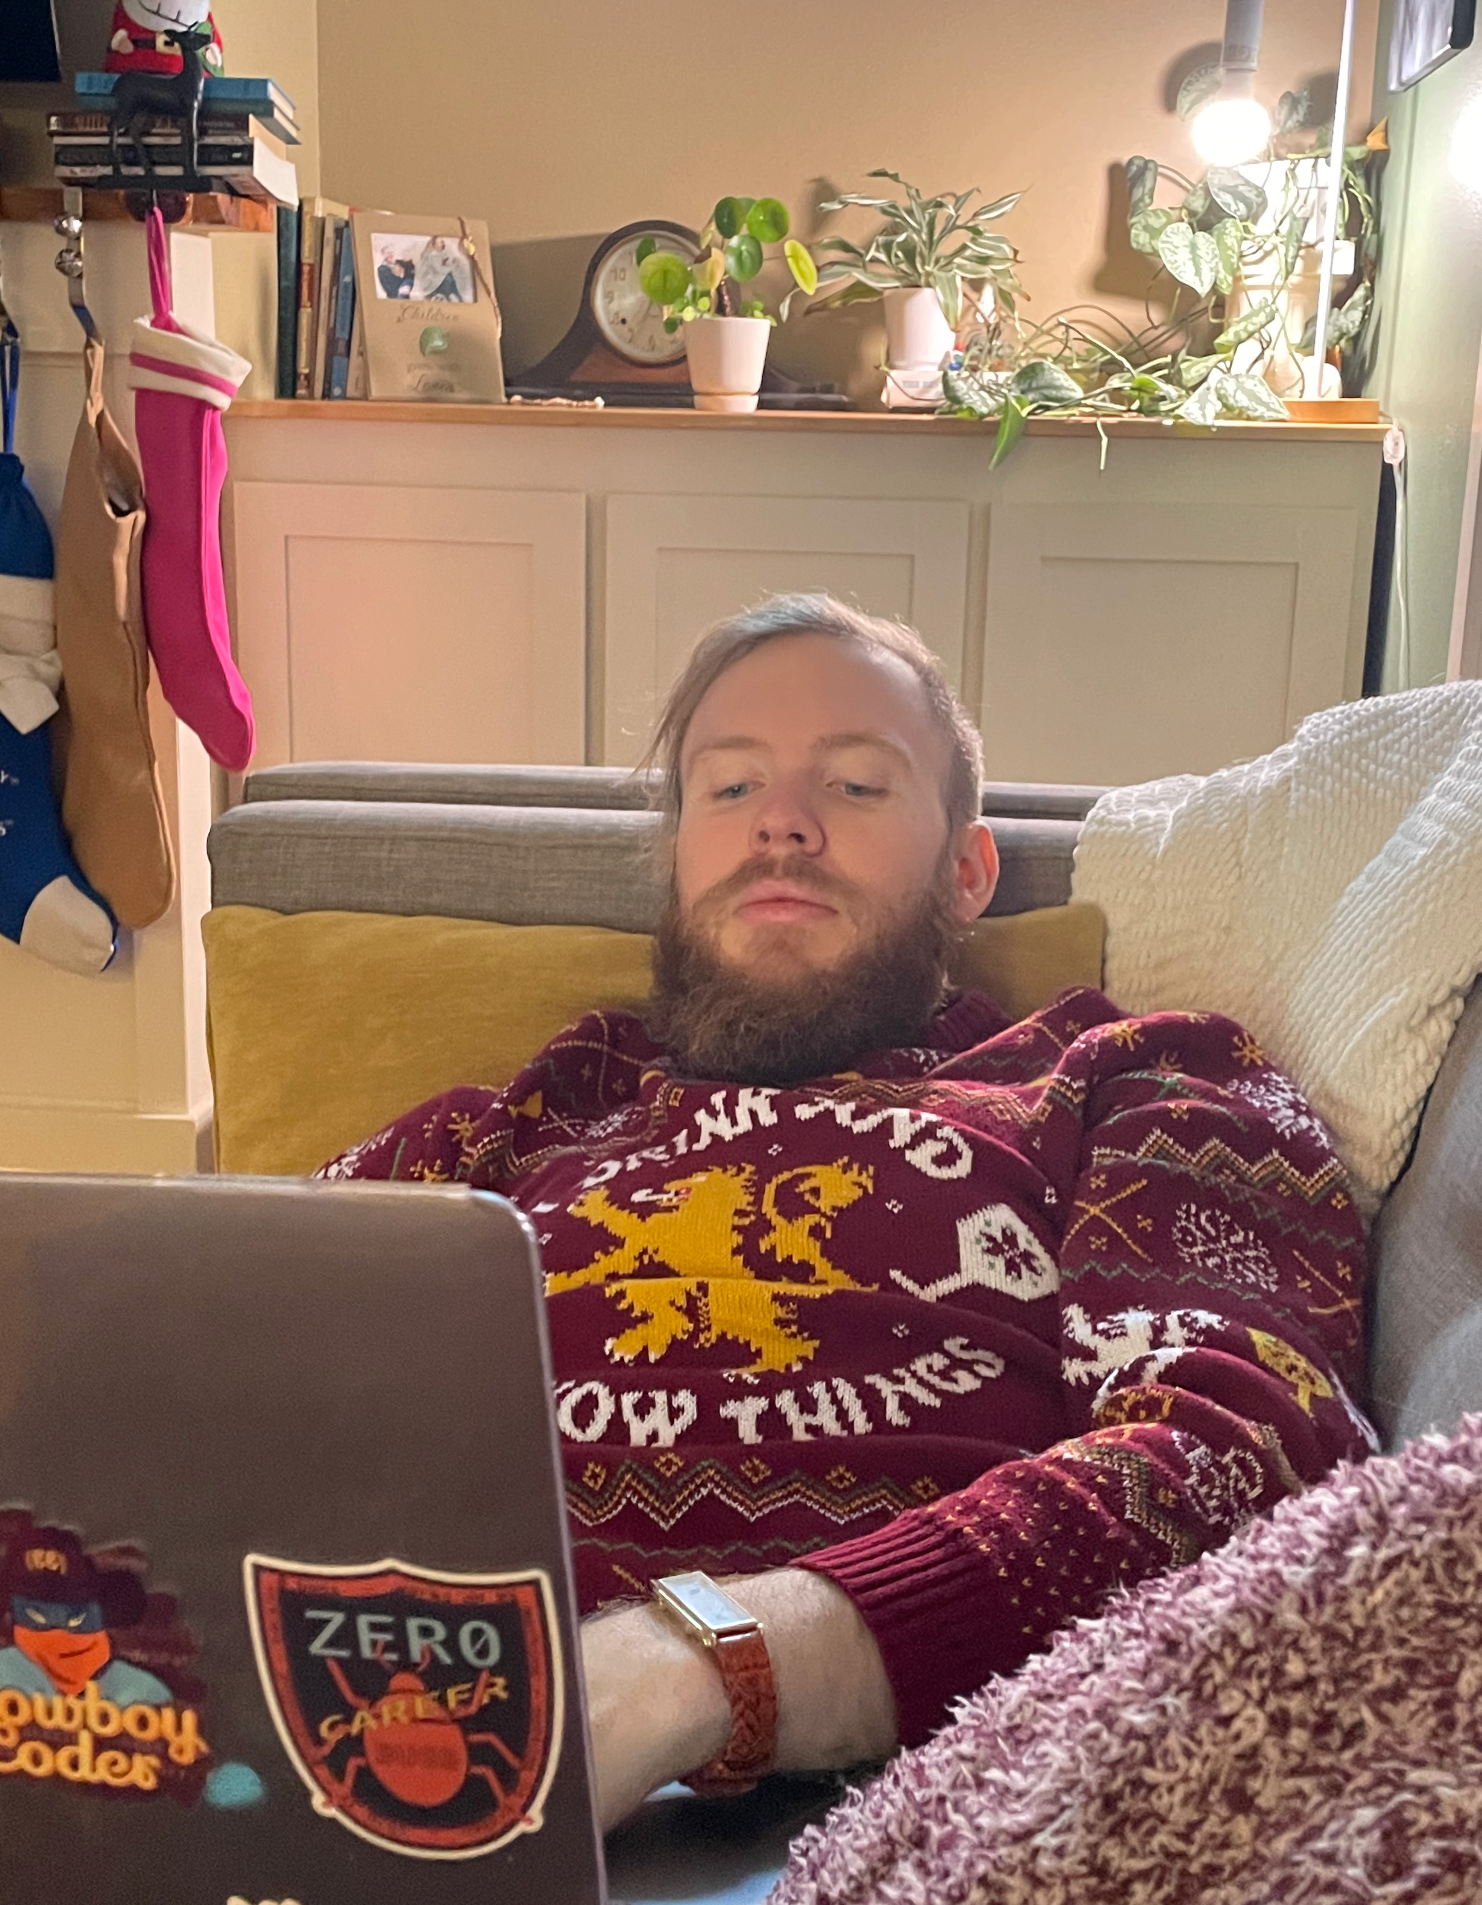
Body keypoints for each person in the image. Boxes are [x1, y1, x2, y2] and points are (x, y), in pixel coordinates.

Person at [320, 593, 1373, 1828]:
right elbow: (208, 1347)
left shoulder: (1130, 1083)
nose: (782, 821)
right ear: (676, 861)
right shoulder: (520, 1122)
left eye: (858, 786)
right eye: (727, 790)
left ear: (967, 869)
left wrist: (695, 1665)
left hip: (954, 1790)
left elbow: (1250, 1456)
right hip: (391, 1749)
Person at [0, 1527, 172, 1705]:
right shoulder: (4, 1672)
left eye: (76, 1619)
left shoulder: (142, 1691)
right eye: (38, 1618)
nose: (60, 1637)